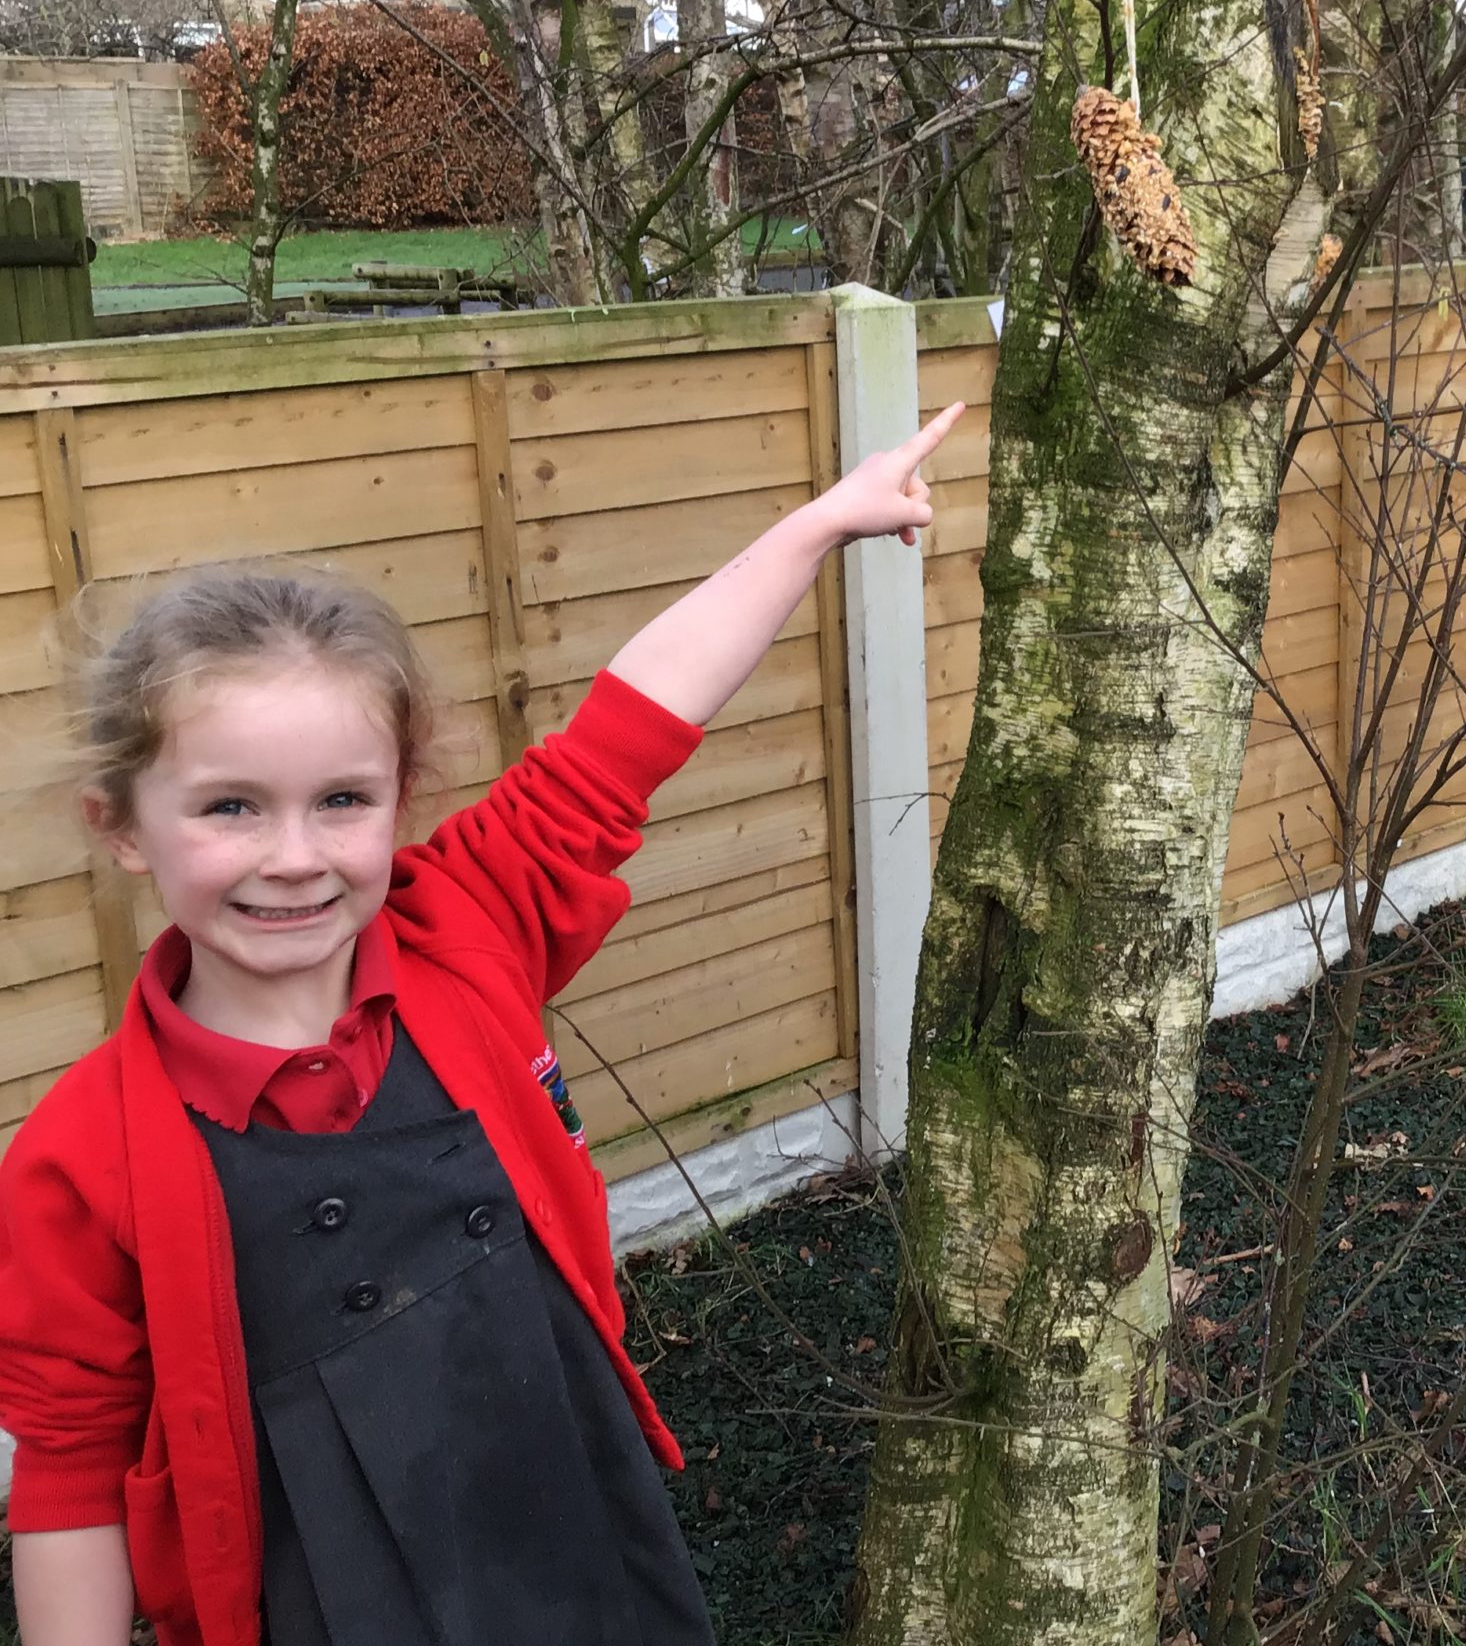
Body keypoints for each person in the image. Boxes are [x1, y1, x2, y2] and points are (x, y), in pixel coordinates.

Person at [0, 400, 964, 1646]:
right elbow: (68, 1470)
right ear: (121, 827)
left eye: (341, 799)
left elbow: (629, 730)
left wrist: (816, 528)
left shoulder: (467, 926)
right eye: (230, 807)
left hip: (577, 1525)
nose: (292, 858)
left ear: (404, 795)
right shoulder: (80, 1156)